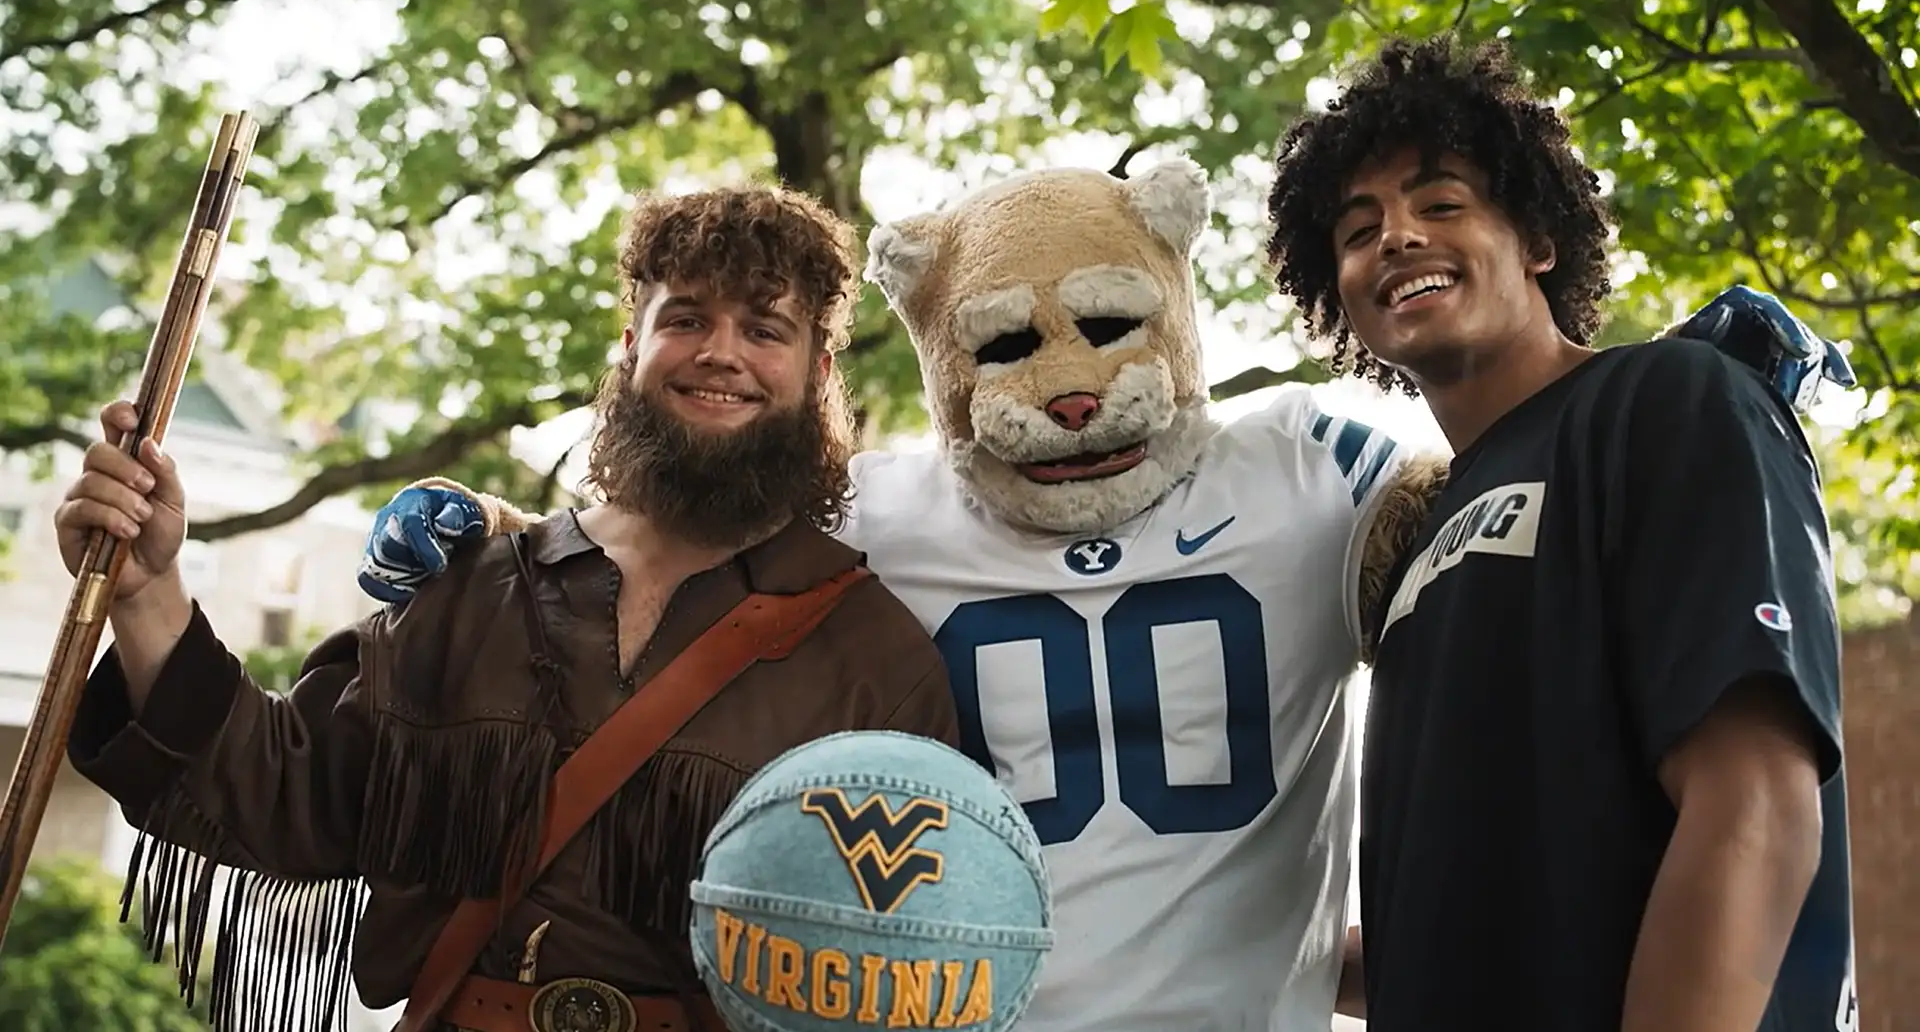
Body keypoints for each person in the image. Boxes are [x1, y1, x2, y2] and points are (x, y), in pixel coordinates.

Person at [352, 154, 1846, 1032]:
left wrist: (1660, 389)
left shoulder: (1308, 467)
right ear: (938, 346)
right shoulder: (876, 508)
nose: (1065, 393)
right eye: (1006, 350)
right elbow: (668, 536)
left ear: (1179, 305)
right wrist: (494, 524)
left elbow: (1508, 518)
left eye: (1111, 327)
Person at [56, 184, 960, 1032]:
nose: (721, 352)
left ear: (818, 369)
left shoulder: (872, 659)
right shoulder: (474, 588)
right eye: (685, 318)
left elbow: (914, 963)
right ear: (632, 346)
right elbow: (288, 788)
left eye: (765, 329)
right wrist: (146, 591)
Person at [1264, 34, 1856, 1031]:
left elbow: (1755, 796)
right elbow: (1457, 931)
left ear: (1538, 240)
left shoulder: (1667, 400)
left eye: (1440, 203)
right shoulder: (1415, 539)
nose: (1397, 238)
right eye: (1358, 232)